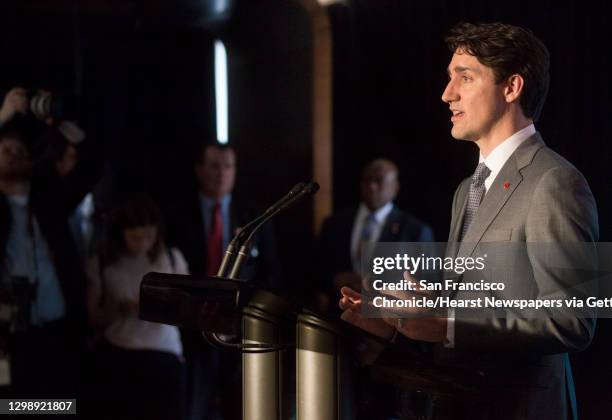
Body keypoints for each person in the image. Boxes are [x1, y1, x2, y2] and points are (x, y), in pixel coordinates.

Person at [339, 22, 598, 420]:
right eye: (449, 78)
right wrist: (403, 318)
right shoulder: (467, 189)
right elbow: (471, 310)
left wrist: (447, 322)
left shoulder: (558, 182)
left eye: (465, 77)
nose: (447, 94)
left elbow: (574, 320)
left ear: (512, 88)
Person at [165, 142, 281, 420]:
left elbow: (272, 274)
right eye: (215, 166)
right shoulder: (177, 215)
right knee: (194, 407)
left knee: (242, 408)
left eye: (228, 166)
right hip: (193, 329)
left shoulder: (254, 216)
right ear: (199, 170)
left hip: (240, 331)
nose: (222, 173)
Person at [0, 87, 102, 397]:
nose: (15, 155)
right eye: (5, 149)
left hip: (59, 332)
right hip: (8, 337)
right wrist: (2, 117)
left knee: (60, 407)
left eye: (21, 150)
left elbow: (93, 161)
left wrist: (56, 123)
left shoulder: (50, 201)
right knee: (13, 408)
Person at [86, 195, 188, 420]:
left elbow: (188, 309)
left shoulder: (170, 258)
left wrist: (160, 305)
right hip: (120, 352)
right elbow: (93, 317)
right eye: (135, 238)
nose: (142, 244)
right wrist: (119, 309)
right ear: (121, 234)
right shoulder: (103, 263)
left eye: (148, 236)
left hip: (163, 352)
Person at [318, 158, 433, 308]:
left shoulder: (415, 231)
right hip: (339, 316)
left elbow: (427, 286)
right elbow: (315, 272)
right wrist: (335, 280)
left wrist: (377, 287)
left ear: (395, 187)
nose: (372, 186)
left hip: (388, 321)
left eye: (379, 181)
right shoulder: (334, 224)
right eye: (367, 180)